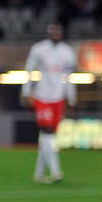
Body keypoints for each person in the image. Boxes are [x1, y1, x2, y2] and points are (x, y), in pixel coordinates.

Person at [20, 23, 76, 184]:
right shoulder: (38, 49)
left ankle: (39, 173)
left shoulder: (68, 52)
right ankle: (56, 171)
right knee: (47, 130)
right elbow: (29, 70)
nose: (55, 33)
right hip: (42, 96)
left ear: (62, 32)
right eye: (53, 30)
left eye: (58, 30)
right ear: (48, 32)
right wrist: (26, 91)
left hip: (58, 97)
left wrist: (71, 98)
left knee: (48, 136)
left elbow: (69, 77)